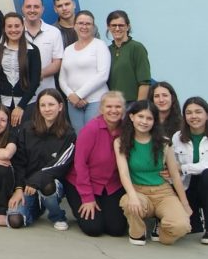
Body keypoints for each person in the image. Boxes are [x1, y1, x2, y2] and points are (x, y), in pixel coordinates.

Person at [116, 100, 191, 245]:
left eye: (149, 118)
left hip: (163, 193)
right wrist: (132, 196)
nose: (144, 121)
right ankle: (138, 231)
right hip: (139, 191)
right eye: (140, 117)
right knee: (128, 203)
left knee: (181, 227)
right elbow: (124, 173)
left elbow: (175, 175)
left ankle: (161, 227)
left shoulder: (164, 142)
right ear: (132, 117)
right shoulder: (121, 142)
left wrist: (185, 204)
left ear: (155, 121)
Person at [7, 88, 76, 230]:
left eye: (51, 105)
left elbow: (60, 164)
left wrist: (35, 181)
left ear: (60, 107)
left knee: (47, 185)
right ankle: (36, 208)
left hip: (52, 185)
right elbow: (18, 161)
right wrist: (19, 188)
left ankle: (57, 216)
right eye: (42, 105)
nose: (47, 109)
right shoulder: (27, 129)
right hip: (27, 188)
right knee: (15, 220)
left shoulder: (69, 134)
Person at [64, 91, 128, 237]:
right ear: (101, 109)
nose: (113, 110)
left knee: (116, 230)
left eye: (118, 107)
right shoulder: (91, 129)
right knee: (94, 228)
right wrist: (87, 198)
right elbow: (80, 165)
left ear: (123, 109)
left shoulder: (126, 130)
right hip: (82, 183)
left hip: (111, 185)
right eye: (109, 106)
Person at [59, 10, 110, 131]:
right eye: (81, 23)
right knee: (80, 138)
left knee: (94, 135)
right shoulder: (68, 49)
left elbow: (103, 75)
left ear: (93, 27)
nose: (84, 26)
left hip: (95, 100)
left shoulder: (100, 45)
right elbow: (62, 78)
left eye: (88, 24)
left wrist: (79, 94)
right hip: (73, 103)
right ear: (74, 25)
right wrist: (71, 95)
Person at [0, 12, 42, 127]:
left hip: (26, 104)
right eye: (9, 26)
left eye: (17, 26)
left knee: (24, 138)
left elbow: (35, 81)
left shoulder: (33, 50)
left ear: (23, 27)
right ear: (4, 28)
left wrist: (21, 106)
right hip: (2, 104)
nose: (13, 30)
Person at [172, 96, 208, 243]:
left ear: (206, 114)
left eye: (198, 112)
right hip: (187, 186)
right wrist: (173, 170)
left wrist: (183, 168)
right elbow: (173, 164)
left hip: (206, 183)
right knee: (189, 229)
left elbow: (206, 165)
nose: (194, 116)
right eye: (189, 112)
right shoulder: (177, 137)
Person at [22, 0, 64, 108]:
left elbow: (57, 63)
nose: (32, 10)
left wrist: (36, 76)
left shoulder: (54, 32)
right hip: (20, 96)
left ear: (42, 9)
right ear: (22, 9)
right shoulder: (13, 30)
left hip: (47, 95)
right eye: (28, 6)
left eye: (36, 7)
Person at [106, 10, 150, 103]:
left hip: (132, 103)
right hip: (112, 106)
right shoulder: (107, 50)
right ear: (108, 27)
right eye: (113, 25)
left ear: (128, 26)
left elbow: (144, 83)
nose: (117, 29)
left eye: (121, 25)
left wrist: (138, 108)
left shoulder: (137, 47)